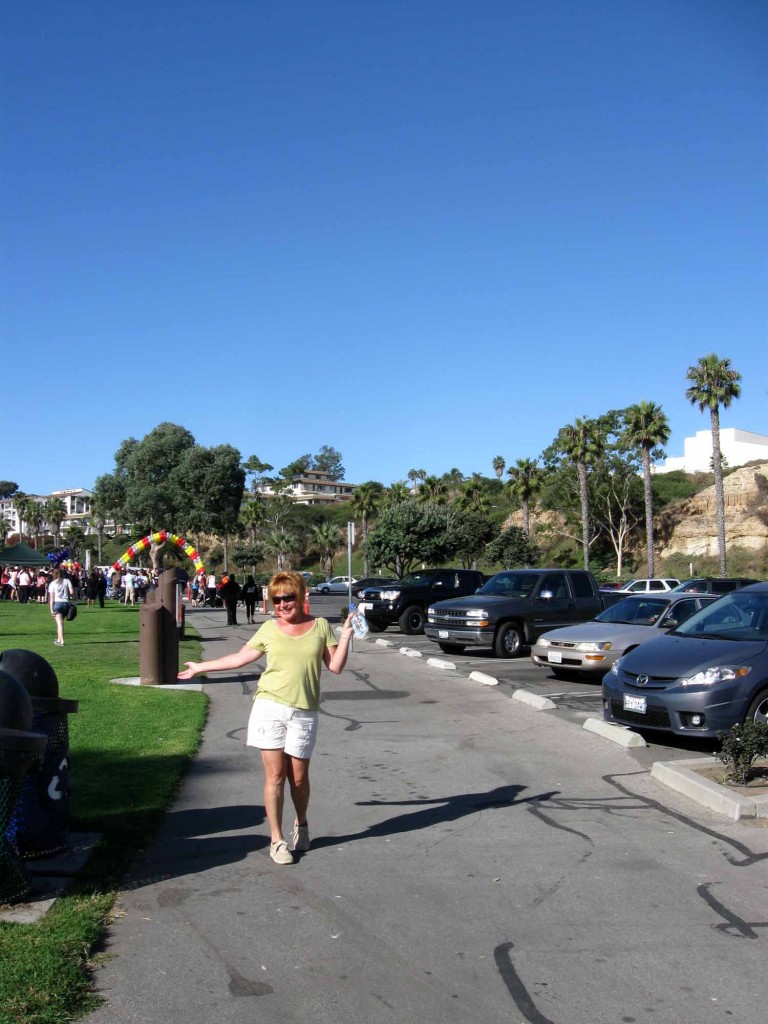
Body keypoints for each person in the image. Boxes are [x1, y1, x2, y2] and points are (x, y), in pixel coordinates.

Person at [178, 571, 354, 865]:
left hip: (304, 712)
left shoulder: (321, 626)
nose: (283, 604)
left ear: (301, 595)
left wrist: (346, 636)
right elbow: (239, 658)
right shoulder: (269, 629)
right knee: (275, 776)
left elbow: (335, 666)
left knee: (299, 779)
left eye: (288, 597)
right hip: (269, 707)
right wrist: (201, 667)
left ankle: (301, 823)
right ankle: (277, 839)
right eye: (277, 599)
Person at [48, 568, 74, 647]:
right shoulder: (66, 581)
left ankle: (62, 641)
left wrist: (51, 609)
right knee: (61, 623)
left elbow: (51, 598)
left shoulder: (52, 584)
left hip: (57, 603)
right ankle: (59, 639)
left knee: (59, 623)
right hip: (65, 603)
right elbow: (72, 592)